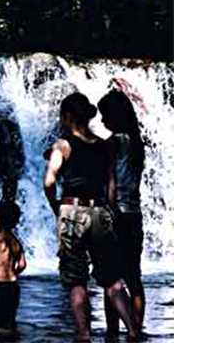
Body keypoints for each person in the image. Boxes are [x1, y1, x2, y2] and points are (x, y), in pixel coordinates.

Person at [43, 92, 140, 341]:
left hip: (72, 210)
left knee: (77, 281)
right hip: (100, 212)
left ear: (66, 116)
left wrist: (57, 206)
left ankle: (84, 335)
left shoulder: (62, 145)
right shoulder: (102, 145)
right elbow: (110, 187)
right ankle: (132, 330)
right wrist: (107, 211)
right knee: (112, 278)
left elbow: (49, 181)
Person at [98, 86, 147, 339]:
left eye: (105, 115)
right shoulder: (137, 143)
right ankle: (136, 327)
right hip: (135, 213)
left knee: (112, 278)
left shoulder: (112, 143)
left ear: (114, 117)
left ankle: (114, 330)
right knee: (133, 276)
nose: (102, 120)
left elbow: (110, 180)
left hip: (117, 213)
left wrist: (108, 207)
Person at [0, 201, 27, 331]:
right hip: (13, 287)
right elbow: (23, 264)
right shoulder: (16, 242)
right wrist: (13, 272)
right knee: (9, 320)